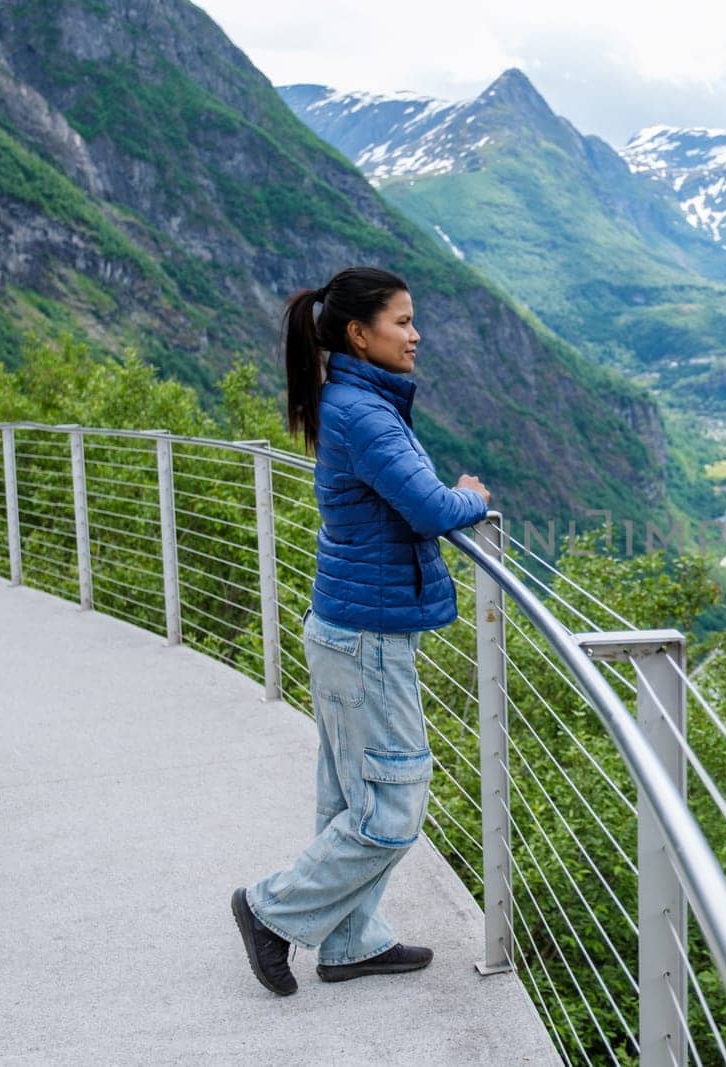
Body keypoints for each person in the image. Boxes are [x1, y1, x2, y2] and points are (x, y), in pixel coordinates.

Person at [231, 266, 491, 996]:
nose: (416, 334)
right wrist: (470, 497)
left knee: (350, 797)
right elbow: (431, 508)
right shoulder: (366, 414)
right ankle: (269, 910)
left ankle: (350, 941)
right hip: (365, 638)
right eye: (402, 321)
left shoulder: (351, 400)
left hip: (352, 626)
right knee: (393, 806)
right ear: (358, 333)